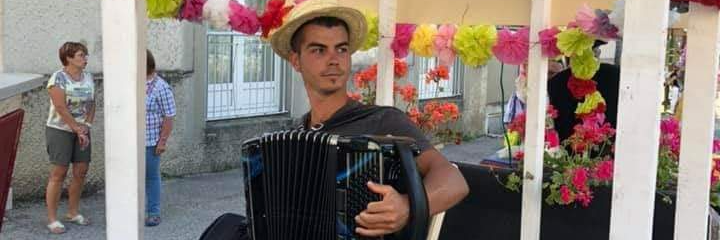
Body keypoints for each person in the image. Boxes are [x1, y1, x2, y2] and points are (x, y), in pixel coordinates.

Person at [268, 0, 469, 237]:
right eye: (319, 50)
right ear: (296, 61)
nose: (334, 59)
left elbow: (454, 181)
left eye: (341, 49)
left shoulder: (382, 122)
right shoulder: (295, 135)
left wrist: (408, 206)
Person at [45, 42, 95, 234]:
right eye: (81, 55)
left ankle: (73, 212)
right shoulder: (57, 79)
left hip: (82, 129)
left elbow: (92, 103)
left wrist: (86, 126)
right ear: (69, 58)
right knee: (59, 173)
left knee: (81, 170)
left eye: (85, 55)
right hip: (60, 130)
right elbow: (60, 107)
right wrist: (76, 129)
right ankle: (52, 219)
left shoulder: (88, 77)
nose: (85, 59)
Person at [548, 40, 621, 141]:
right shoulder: (616, 74)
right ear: (597, 52)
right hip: (609, 146)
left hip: (570, 150)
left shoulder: (555, 81)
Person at [144, 50, 176, 227]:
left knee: (151, 177)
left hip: (150, 141)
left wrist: (162, 141)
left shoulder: (161, 87)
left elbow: (169, 116)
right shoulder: (132, 82)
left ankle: (153, 212)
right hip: (131, 141)